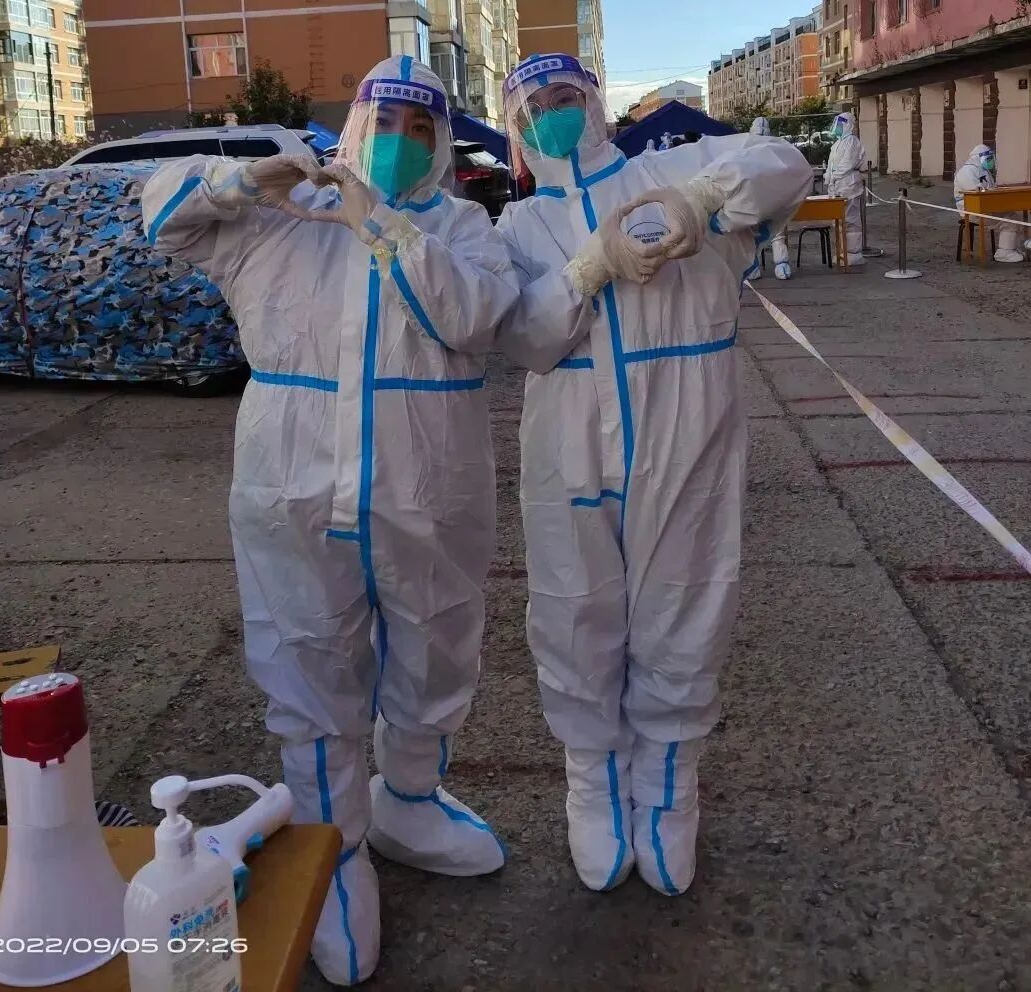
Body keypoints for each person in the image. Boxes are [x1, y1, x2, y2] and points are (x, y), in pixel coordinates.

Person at [141, 56, 518, 986]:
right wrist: (238, 181)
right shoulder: (281, 214)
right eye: (383, 122)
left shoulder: (461, 227)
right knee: (307, 656)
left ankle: (411, 799)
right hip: (291, 476)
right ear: (352, 125)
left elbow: (472, 317)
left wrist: (378, 222)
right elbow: (161, 215)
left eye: (421, 129)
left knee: (435, 642)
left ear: (442, 143)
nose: (399, 142)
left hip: (428, 482)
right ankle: (334, 847)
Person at [493, 54, 812, 898]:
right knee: (575, 609)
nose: (554, 114)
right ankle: (593, 784)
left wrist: (697, 201)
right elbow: (524, 340)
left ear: (597, 103)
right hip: (568, 443)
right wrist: (587, 269)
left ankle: (669, 790)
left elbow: (787, 165)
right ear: (517, 130)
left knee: (685, 603)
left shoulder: (670, 168)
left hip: (687, 430)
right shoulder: (518, 226)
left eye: (567, 97)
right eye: (534, 107)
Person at [954, 144, 1024, 263]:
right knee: (1009, 220)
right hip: (972, 211)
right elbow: (974, 193)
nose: (990, 161)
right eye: (989, 158)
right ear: (979, 157)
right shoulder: (966, 172)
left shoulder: (984, 171)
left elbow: (990, 189)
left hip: (986, 207)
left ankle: (1011, 249)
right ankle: (1004, 253)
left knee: (1013, 215)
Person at [750, 117, 794, 280]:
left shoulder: (748, 150)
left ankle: (753, 268)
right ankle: (782, 266)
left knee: (752, 234)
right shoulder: (776, 149)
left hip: (755, 198)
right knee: (776, 232)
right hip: (773, 197)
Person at [824, 111, 867, 265]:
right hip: (837, 187)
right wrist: (829, 177)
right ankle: (842, 252)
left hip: (849, 185)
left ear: (847, 125)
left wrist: (834, 176)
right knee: (838, 221)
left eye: (840, 124)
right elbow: (831, 165)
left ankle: (853, 253)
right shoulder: (837, 144)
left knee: (850, 220)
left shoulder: (852, 142)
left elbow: (847, 164)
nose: (836, 127)